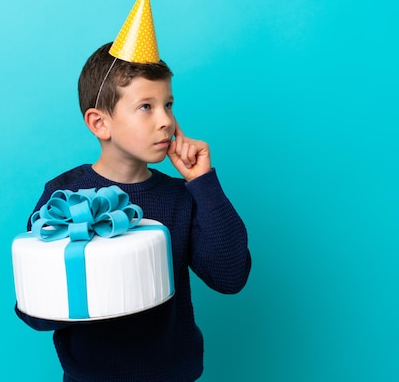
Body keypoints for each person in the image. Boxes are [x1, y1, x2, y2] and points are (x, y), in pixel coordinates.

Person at [15, 41, 251, 381]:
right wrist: (95, 285)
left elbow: (230, 277)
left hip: (174, 375)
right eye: (146, 107)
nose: (166, 122)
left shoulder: (179, 197)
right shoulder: (62, 197)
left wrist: (202, 182)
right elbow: (36, 312)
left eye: (168, 105)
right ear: (100, 123)